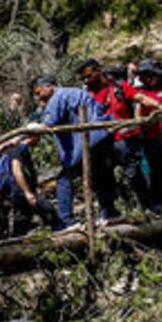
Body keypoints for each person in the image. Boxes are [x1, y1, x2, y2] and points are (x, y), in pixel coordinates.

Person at [30, 76, 119, 226]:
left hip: (88, 140)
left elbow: (49, 123)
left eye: (39, 93)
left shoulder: (57, 96)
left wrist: (35, 129)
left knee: (64, 179)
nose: (39, 97)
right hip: (102, 136)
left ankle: (67, 220)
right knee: (100, 176)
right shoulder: (76, 92)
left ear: (49, 87)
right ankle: (108, 212)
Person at [77, 58, 149, 210]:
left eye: (88, 76)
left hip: (124, 139)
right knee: (103, 178)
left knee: (133, 174)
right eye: (83, 78)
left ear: (98, 71)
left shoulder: (118, 87)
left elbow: (140, 97)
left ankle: (145, 205)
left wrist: (161, 105)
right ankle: (110, 211)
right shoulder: (85, 94)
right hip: (101, 143)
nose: (86, 80)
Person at [125, 59, 162, 212]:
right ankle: (157, 202)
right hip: (150, 135)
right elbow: (138, 113)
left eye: (148, 75)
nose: (145, 79)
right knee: (154, 168)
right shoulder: (142, 92)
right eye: (143, 76)